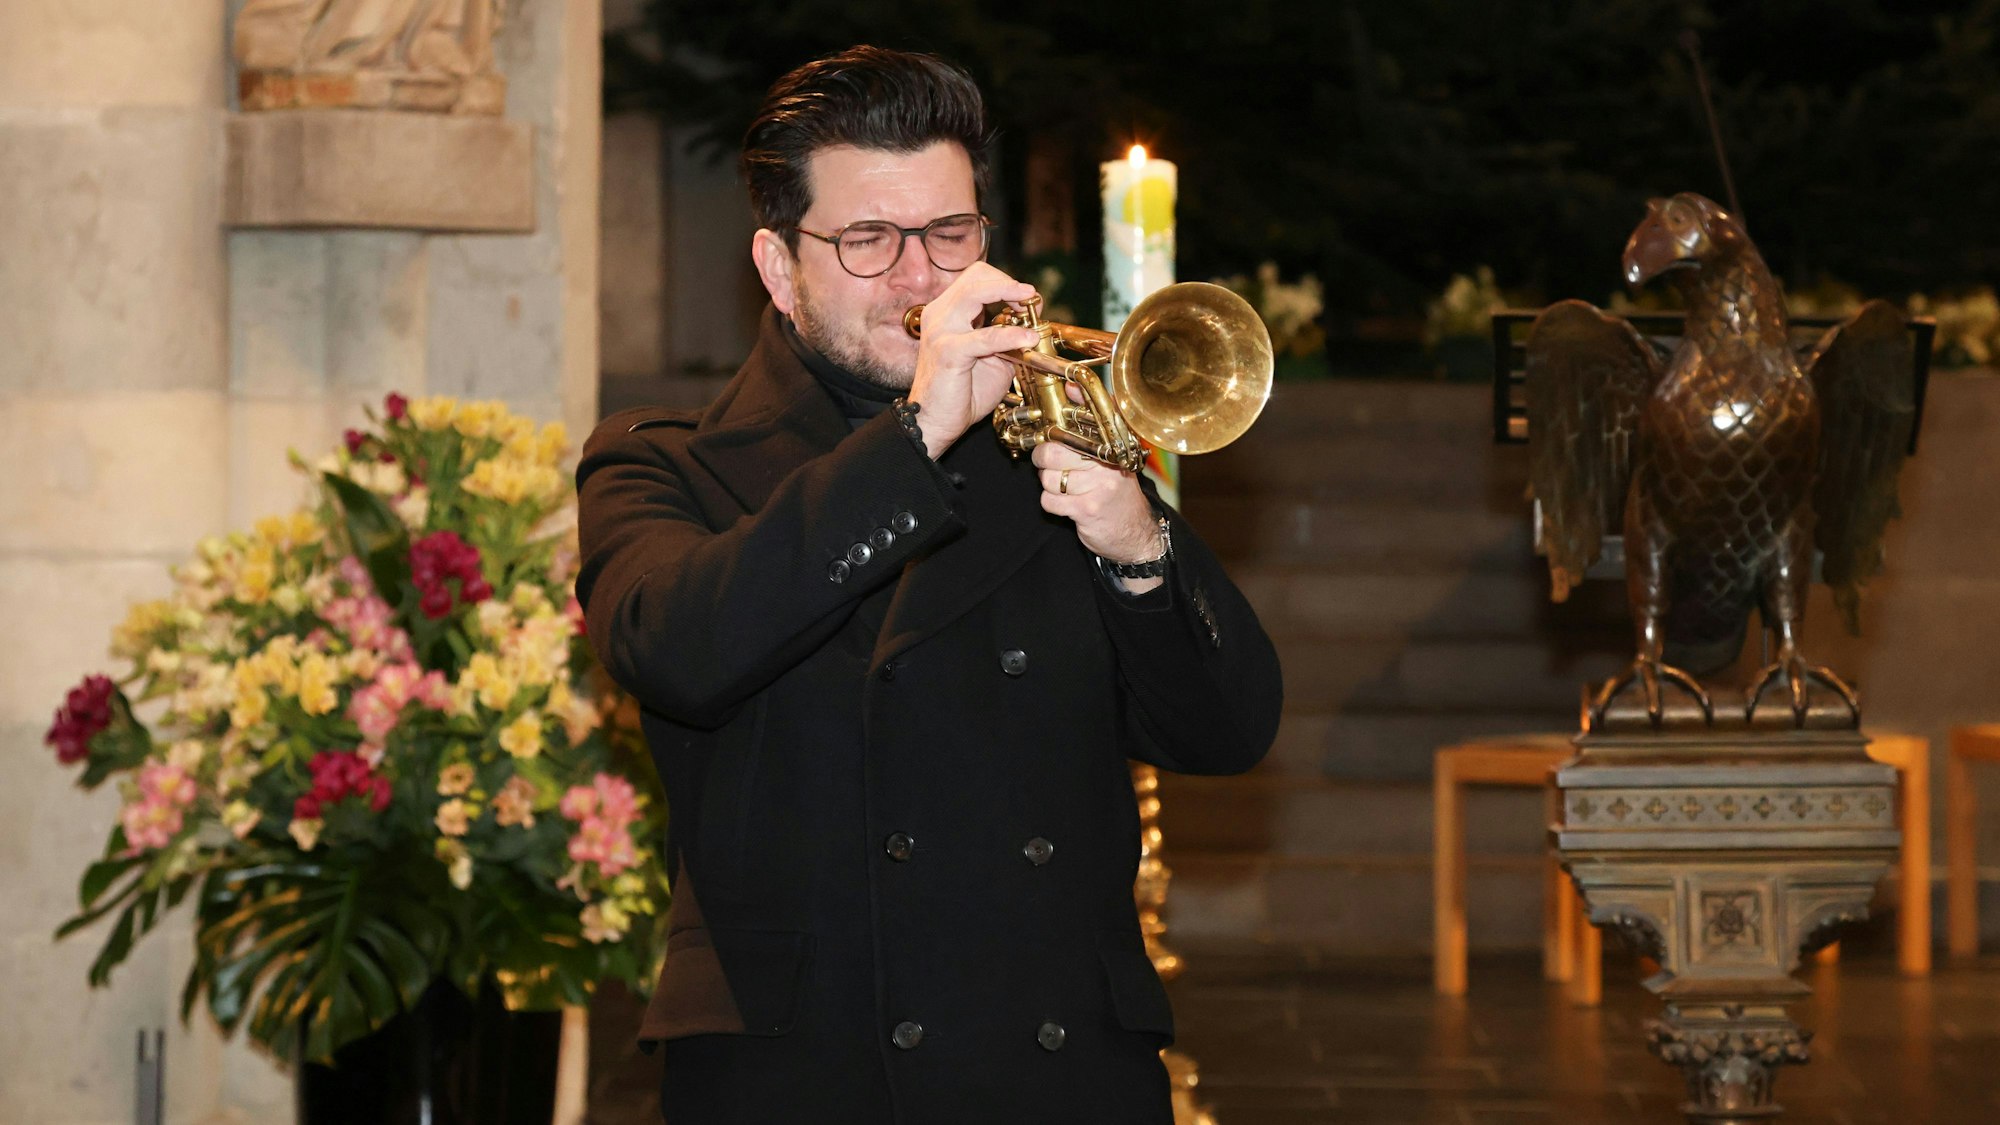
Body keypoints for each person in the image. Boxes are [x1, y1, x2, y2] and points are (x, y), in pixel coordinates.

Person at [576, 44, 1283, 1124]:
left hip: (1057, 1073)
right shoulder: (663, 461)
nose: (921, 277)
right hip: (797, 1076)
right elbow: (674, 647)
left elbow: (1226, 734)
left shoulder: (1051, 449)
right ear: (777, 267)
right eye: (868, 239)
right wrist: (919, 435)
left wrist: (1136, 543)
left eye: (949, 234)